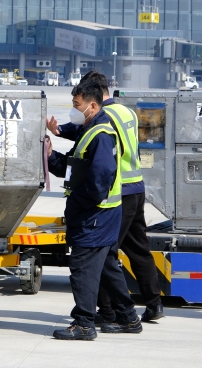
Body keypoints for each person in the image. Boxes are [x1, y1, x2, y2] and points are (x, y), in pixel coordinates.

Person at [48, 71, 165, 324]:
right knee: (138, 249)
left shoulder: (103, 121)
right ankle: (153, 303)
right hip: (135, 187)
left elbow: (85, 137)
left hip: (114, 192)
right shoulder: (126, 112)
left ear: (94, 98)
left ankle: (108, 310)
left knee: (103, 253)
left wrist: (58, 132)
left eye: (78, 103)